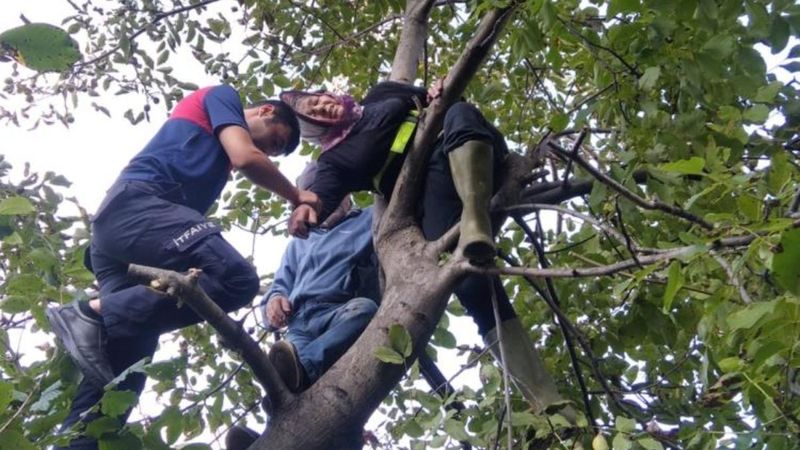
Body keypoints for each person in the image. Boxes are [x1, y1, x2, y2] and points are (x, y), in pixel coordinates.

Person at [45, 84, 320, 450]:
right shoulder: (223, 98)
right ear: (265, 113)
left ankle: (75, 443)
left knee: (122, 370)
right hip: (137, 208)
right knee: (236, 278)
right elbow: (246, 156)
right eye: (274, 142)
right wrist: (297, 195)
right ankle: (90, 312)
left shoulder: (213, 163)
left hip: (127, 240)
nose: (270, 152)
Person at [280, 81, 573, 417]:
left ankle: (475, 216)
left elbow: (444, 95)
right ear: (315, 130)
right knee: (472, 284)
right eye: (313, 115)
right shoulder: (333, 160)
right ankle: (546, 400)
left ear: (328, 94)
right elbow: (322, 196)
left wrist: (438, 92)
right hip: (432, 191)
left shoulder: (379, 95)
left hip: (463, 144)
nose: (321, 108)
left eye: (317, 100)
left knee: (460, 112)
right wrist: (305, 210)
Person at [226, 162, 379, 450]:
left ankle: (298, 375)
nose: (323, 204)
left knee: (365, 310)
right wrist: (273, 302)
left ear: (345, 195)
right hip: (300, 321)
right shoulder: (300, 241)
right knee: (291, 380)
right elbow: (280, 284)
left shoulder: (369, 219)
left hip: (339, 311)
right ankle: (271, 432)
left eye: (329, 195)